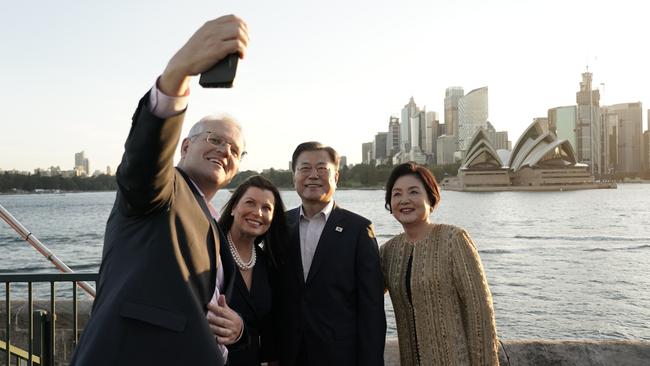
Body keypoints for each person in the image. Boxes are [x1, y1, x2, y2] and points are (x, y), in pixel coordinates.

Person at [71, 15, 250, 366]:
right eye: (215, 140)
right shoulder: (162, 189)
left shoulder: (213, 221)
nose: (224, 151)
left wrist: (236, 328)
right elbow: (144, 159)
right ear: (184, 147)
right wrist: (177, 75)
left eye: (234, 150)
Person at [274, 141, 386, 366]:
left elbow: (371, 307)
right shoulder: (279, 225)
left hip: (340, 355)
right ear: (294, 176)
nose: (313, 175)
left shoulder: (358, 230)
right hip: (289, 354)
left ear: (336, 177)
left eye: (322, 169)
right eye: (305, 168)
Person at [380, 162, 499, 365]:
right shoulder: (388, 252)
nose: (404, 200)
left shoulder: (454, 239)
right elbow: (361, 294)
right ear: (390, 204)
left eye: (414, 192)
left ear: (431, 198)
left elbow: (480, 310)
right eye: (397, 194)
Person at [213, 175, 287, 365]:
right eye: (250, 203)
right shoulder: (210, 252)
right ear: (233, 208)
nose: (258, 213)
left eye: (266, 208)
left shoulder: (267, 263)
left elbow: (269, 328)